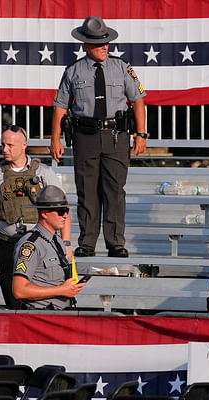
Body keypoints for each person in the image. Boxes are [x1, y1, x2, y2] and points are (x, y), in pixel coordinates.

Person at [51, 15, 149, 258]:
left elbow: (138, 100)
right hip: (85, 136)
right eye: (97, 43)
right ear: (85, 45)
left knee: (114, 191)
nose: (104, 47)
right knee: (87, 191)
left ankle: (116, 242)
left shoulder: (122, 67)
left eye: (106, 42)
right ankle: (87, 242)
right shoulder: (73, 71)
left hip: (116, 136)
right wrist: (55, 138)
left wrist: (141, 134)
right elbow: (60, 106)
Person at [0, 125, 72, 310]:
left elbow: (63, 209)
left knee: (41, 300)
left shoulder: (44, 173)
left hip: (40, 246)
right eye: (3, 145)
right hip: (8, 244)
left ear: (24, 145)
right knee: (13, 300)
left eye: (10, 145)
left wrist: (66, 244)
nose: (5, 149)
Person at [12, 185, 87, 310]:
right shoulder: (30, 245)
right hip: (40, 317)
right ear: (44, 213)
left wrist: (69, 289)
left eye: (67, 211)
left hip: (61, 314)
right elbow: (19, 290)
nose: (65, 216)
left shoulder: (57, 240)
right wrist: (61, 290)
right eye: (61, 211)